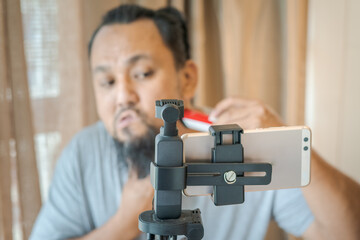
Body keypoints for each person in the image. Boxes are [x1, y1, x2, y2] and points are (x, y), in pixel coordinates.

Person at [30, 4, 360, 240]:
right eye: (107, 82)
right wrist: (124, 223)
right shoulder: (84, 153)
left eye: (142, 73)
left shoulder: (245, 143)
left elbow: (347, 231)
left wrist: (287, 145)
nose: (122, 97)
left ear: (187, 78)